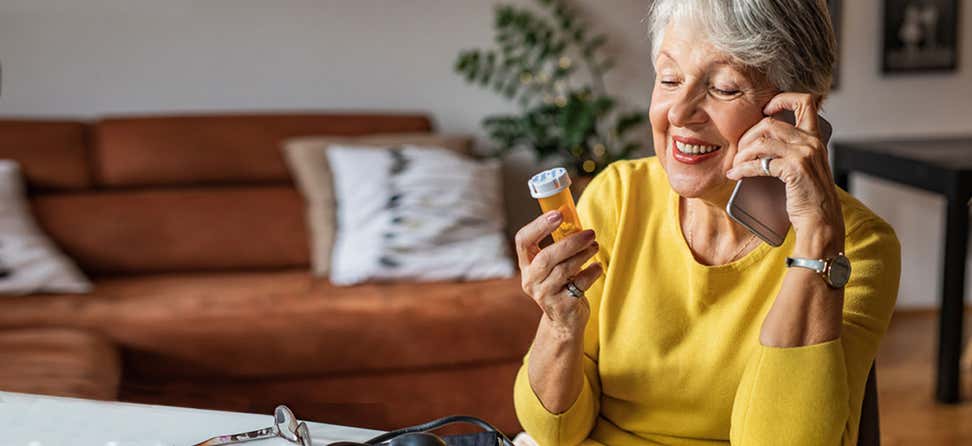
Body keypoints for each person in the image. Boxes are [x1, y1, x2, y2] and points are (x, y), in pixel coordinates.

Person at [512, 1, 901, 445]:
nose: (679, 112)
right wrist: (559, 325)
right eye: (670, 79)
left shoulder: (859, 246)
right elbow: (551, 432)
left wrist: (816, 239)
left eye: (723, 88)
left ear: (791, 115)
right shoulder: (618, 197)